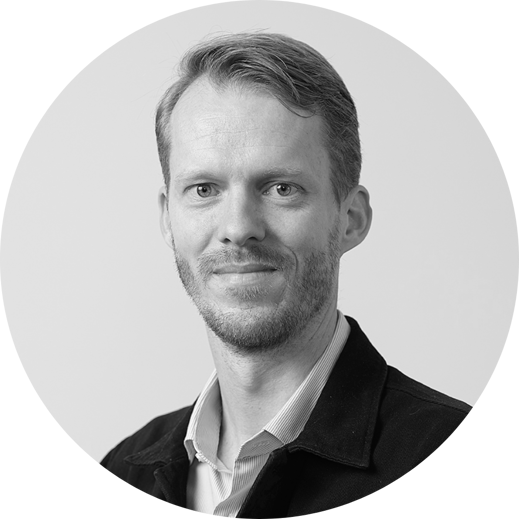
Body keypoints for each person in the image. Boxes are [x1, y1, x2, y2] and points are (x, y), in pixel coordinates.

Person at [99, 32, 473, 517]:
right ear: (168, 219)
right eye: (204, 189)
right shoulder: (123, 470)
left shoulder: (437, 444)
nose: (238, 228)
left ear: (351, 219)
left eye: (281, 188)